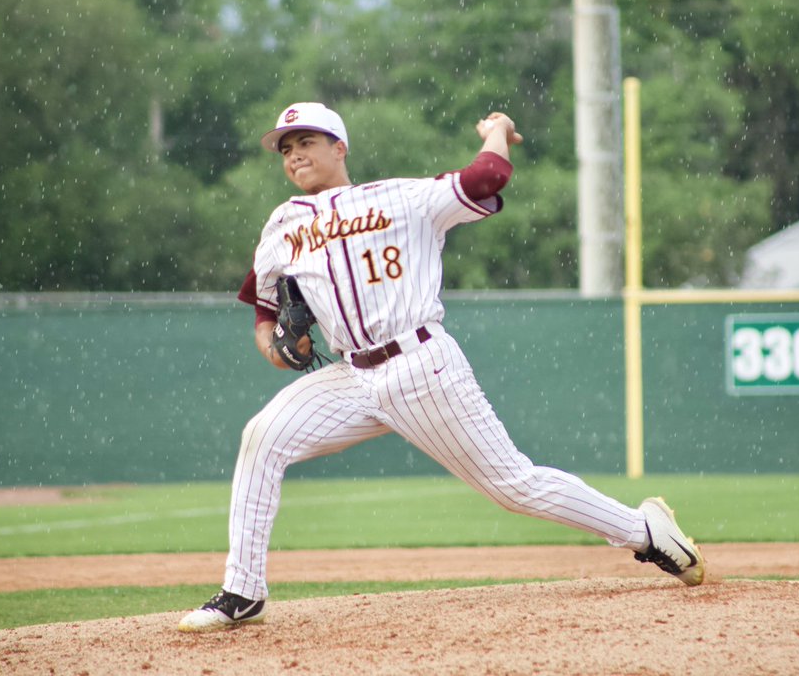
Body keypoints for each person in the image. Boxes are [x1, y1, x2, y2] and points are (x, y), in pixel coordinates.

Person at [177, 102, 705, 632]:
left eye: (307, 142)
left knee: (514, 487)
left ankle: (645, 531)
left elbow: (488, 176)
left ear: (340, 148)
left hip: (419, 365)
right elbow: (264, 310)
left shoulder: (402, 198)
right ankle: (243, 591)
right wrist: (276, 349)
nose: (294, 155)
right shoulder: (284, 224)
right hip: (350, 377)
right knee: (262, 437)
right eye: (286, 149)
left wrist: (496, 130)